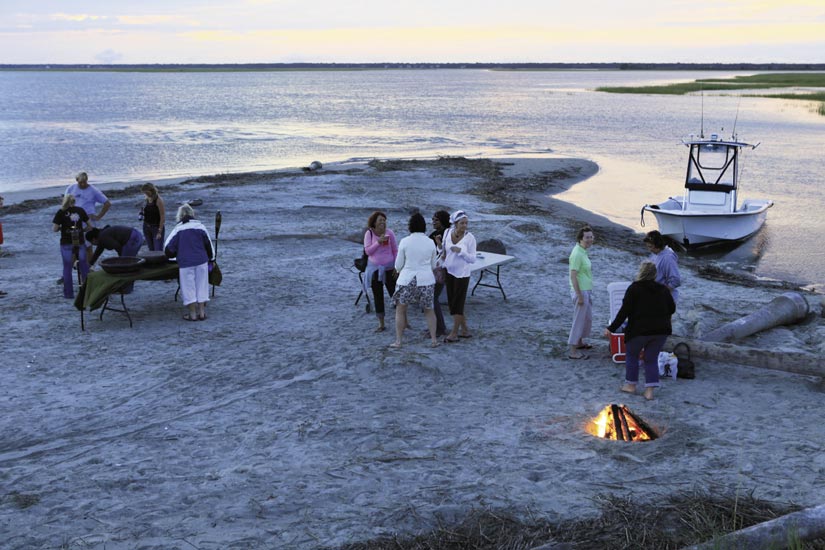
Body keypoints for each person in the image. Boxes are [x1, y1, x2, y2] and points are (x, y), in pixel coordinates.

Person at [604, 261, 676, 401]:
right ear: (655, 274)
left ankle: (631, 385)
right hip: (660, 331)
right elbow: (672, 309)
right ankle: (649, 392)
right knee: (651, 359)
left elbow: (624, 312)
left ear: (641, 272)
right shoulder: (663, 289)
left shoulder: (634, 288)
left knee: (632, 355)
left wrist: (611, 328)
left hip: (639, 331)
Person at [390, 213, 440, 348]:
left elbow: (398, 265)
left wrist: (400, 269)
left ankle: (399, 341)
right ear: (424, 226)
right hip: (426, 280)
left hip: (407, 280)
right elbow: (433, 265)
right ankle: (434, 340)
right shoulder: (430, 242)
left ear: (410, 226)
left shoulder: (405, 241)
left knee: (400, 309)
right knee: (429, 310)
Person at [164, 204, 214, 322]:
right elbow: (209, 246)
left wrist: (175, 256)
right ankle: (202, 313)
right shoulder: (201, 227)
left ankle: (192, 315)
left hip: (186, 263)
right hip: (201, 261)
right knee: (202, 286)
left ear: (180, 216)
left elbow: (168, 249)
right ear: (192, 214)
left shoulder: (178, 229)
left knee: (188, 288)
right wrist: (211, 259)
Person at [442, 209, 476, 343]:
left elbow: (472, 259)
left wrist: (461, 251)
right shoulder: (447, 232)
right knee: (452, 303)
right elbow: (443, 251)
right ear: (455, 223)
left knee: (458, 304)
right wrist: (439, 246)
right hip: (449, 271)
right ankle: (465, 330)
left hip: (462, 274)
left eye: (466, 223)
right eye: (462, 223)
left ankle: (454, 333)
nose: (465, 225)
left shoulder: (470, 238)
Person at [363, 211, 398, 332]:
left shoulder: (390, 233)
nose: (383, 222)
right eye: (380, 220)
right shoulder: (369, 233)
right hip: (375, 270)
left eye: (384, 220)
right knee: (378, 296)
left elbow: (395, 250)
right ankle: (381, 324)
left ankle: (403, 320)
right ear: (374, 222)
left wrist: (396, 266)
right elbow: (368, 251)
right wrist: (378, 242)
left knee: (396, 295)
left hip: (390, 269)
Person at [65, 171, 111, 260]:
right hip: (74, 220)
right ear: (77, 181)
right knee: (74, 246)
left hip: (88, 221)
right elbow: (65, 203)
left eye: (84, 182)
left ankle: (89, 266)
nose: (83, 184)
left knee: (88, 246)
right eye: (80, 182)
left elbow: (107, 203)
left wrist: (98, 216)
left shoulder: (93, 190)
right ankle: (73, 266)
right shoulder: (71, 188)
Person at [85, 225, 145, 293]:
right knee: (127, 265)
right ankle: (126, 287)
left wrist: (122, 259)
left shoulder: (103, 237)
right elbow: (98, 251)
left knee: (126, 267)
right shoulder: (102, 235)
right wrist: (91, 263)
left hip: (133, 239)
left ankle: (126, 289)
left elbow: (117, 246)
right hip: (136, 235)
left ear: (93, 239)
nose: (92, 244)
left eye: (91, 242)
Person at [52, 194, 90, 299]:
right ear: (74, 201)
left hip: (66, 242)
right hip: (80, 241)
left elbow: (54, 229)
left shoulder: (61, 212)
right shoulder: (80, 210)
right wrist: (82, 230)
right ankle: (87, 291)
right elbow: (90, 226)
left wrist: (61, 228)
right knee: (84, 266)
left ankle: (69, 294)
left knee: (67, 268)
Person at [568, 225, 595, 359]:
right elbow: (573, 276)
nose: (590, 239)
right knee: (578, 321)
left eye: (591, 237)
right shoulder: (577, 254)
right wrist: (579, 295)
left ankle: (579, 343)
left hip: (586, 290)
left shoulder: (583, 251)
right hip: (581, 291)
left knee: (586, 318)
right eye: (587, 237)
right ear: (580, 238)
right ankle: (573, 351)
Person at [428, 210, 451, 338]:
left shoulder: (447, 234)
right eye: (433, 219)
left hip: (441, 270)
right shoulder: (435, 234)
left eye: (436, 220)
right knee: (433, 298)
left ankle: (440, 328)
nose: (433, 222)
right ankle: (438, 327)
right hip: (437, 269)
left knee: (433, 298)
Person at [643, 230, 681, 303]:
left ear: (657, 245)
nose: (649, 249)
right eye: (648, 247)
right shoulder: (655, 254)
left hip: (665, 300)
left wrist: (660, 294)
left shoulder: (668, 258)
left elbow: (676, 280)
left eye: (650, 247)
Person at [140, 182, 166, 251]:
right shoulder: (146, 199)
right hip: (146, 227)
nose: (145, 194)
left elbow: (162, 216)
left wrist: (159, 231)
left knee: (158, 250)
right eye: (144, 193)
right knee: (151, 250)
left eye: (146, 192)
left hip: (156, 228)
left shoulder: (158, 200)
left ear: (151, 190)